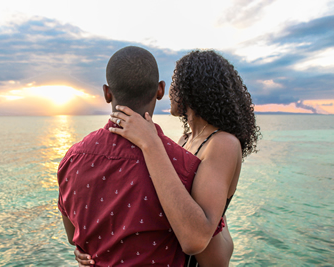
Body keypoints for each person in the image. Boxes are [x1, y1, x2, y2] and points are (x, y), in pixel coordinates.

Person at [76, 50, 260, 266]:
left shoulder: (223, 143)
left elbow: (197, 240)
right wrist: (93, 247)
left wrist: (151, 143)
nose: (170, 91)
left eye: (175, 82)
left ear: (194, 88)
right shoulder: (185, 139)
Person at [57, 46, 202, 266]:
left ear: (107, 93)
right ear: (160, 90)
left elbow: (73, 237)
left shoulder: (72, 160)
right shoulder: (184, 164)